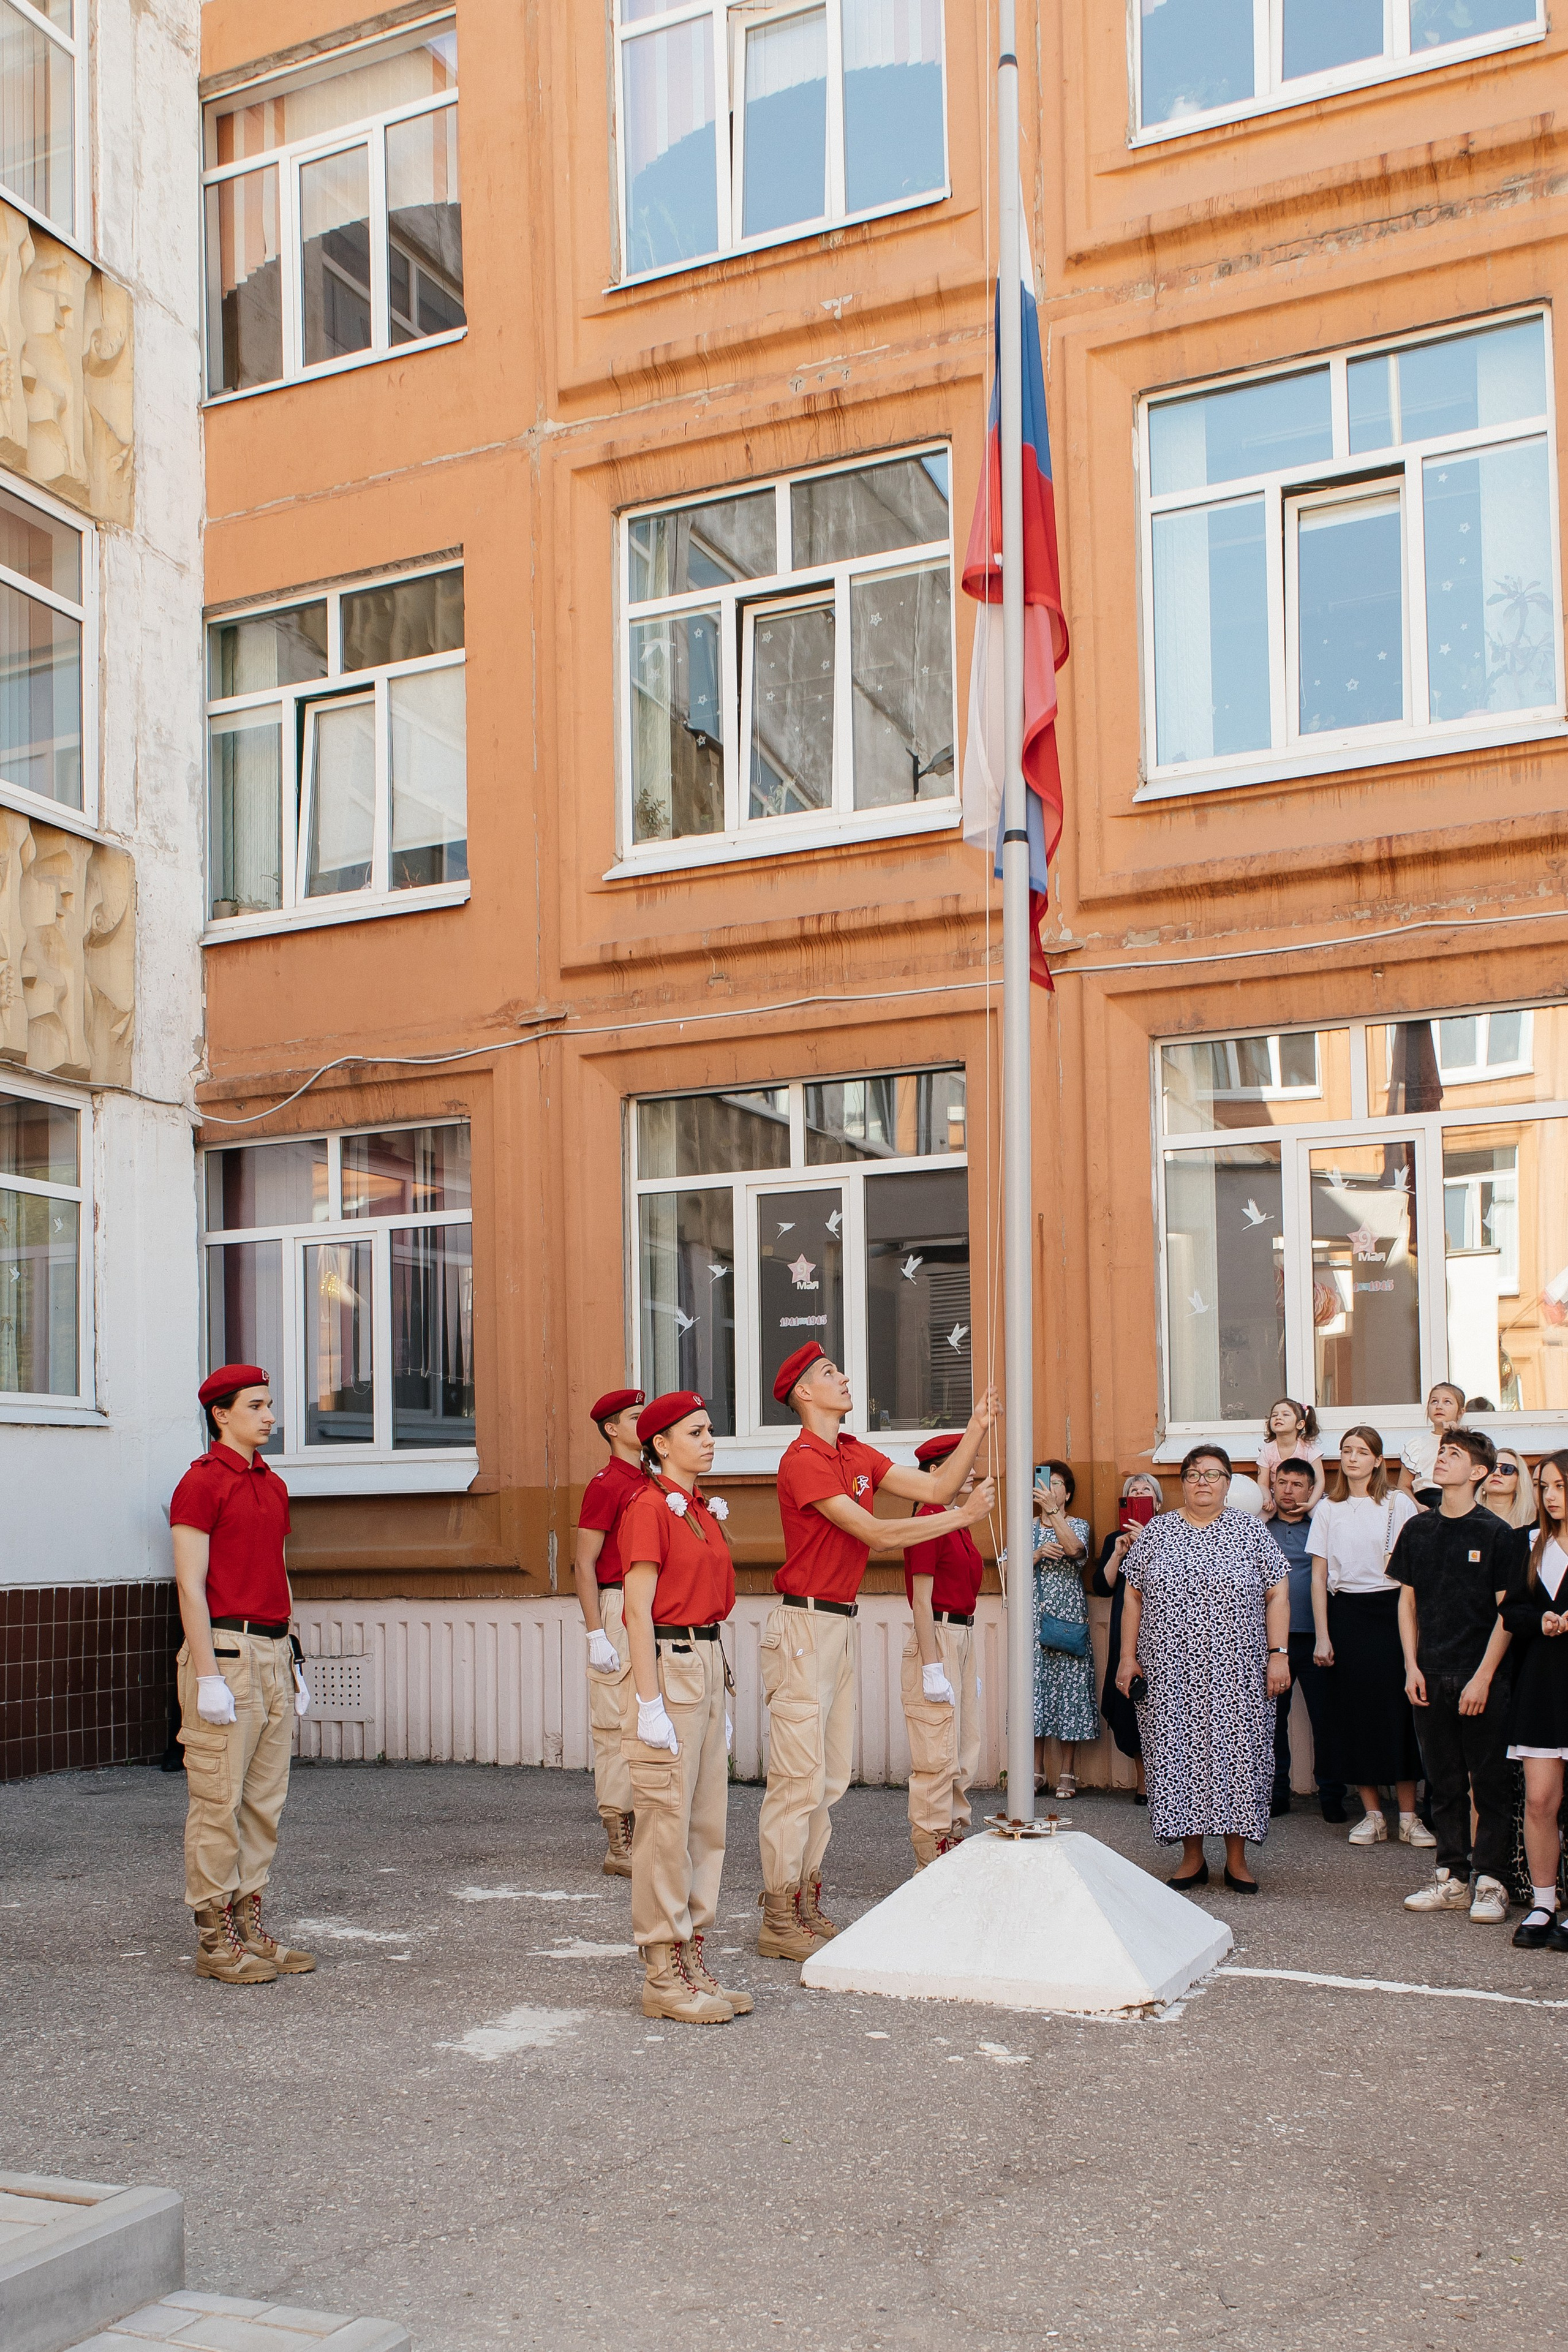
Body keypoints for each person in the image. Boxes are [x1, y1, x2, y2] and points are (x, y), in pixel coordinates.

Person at [756, 1343, 997, 1960]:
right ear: (804, 1393)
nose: (844, 1378)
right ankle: (779, 1914)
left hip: (836, 1625)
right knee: (796, 1781)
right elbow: (878, 1531)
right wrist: (960, 1517)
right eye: (830, 1373)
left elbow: (938, 1484)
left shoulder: (851, 1451)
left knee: (829, 1778)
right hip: (805, 1628)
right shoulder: (806, 1458)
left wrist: (976, 1427)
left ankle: (804, 1903)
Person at [169, 1366, 313, 1985]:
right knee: (217, 1802)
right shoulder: (201, 1484)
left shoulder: (271, 1484)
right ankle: (214, 1938)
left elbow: (277, 1572)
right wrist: (207, 1675)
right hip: (226, 1652)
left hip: (273, 1652)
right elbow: (189, 1584)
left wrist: (295, 1653)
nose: (270, 1416)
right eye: (256, 1405)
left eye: (269, 1404)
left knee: (263, 1803)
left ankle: (249, 1926)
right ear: (221, 1414)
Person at [617, 1390, 747, 2025]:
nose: (709, 1438)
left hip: (705, 1663)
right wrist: (648, 1703)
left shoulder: (697, 1508)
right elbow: (636, 1612)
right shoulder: (649, 1507)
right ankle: (661, 1975)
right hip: (669, 1668)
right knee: (665, 1828)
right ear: (660, 1445)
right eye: (694, 1432)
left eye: (710, 1428)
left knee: (704, 1826)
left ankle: (692, 1956)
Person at [1114, 1444, 1291, 1893]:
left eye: (1212, 1475)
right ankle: (1191, 1858)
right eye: (1193, 1474)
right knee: (1177, 1757)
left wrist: (1279, 1653)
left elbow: (1278, 1593)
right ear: (1182, 1483)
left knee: (1238, 1757)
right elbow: (1132, 1596)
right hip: (1172, 1674)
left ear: (1228, 1484)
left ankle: (1237, 1859)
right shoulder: (1157, 1533)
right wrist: (1127, 1656)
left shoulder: (1250, 1532)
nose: (1202, 1483)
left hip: (1239, 1671)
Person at [1395, 1428, 1529, 1922]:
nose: (1442, 1459)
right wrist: (1411, 1666)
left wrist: (1484, 1678)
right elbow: (1406, 1602)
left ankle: (1491, 1881)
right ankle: (1451, 1876)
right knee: (1444, 1781)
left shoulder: (1496, 1534)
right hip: (1429, 1674)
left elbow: (1506, 1615)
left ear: (1477, 1472)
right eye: (1441, 1452)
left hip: (1482, 1680)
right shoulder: (1417, 1530)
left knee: (1489, 1782)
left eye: (1453, 1454)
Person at [1306, 1427, 1428, 1848]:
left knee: (1400, 1709)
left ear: (1379, 1460)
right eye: (1346, 1451)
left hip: (1394, 1610)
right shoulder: (1328, 1508)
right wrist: (1323, 1635)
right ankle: (1373, 1814)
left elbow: (1415, 1574)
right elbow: (1319, 1576)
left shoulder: (1400, 1504)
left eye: (1362, 1452)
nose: (1353, 1458)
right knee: (1356, 1713)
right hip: (1349, 1613)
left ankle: (1409, 1817)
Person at [902, 1435, 986, 1870]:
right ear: (936, 1471)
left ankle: (952, 1837)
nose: (972, 1471)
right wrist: (933, 1665)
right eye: (963, 1463)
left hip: (960, 1635)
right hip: (937, 1633)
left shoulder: (955, 1519)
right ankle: (929, 1859)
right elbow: (921, 1601)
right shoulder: (928, 1519)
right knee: (937, 1753)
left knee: (964, 1748)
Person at [572, 1386, 646, 1877]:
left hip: (654, 1605)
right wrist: (596, 1633)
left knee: (648, 1719)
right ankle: (619, 1841)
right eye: (636, 1417)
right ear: (612, 1429)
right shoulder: (606, 1484)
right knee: (615, 1723)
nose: (647, 1423)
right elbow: (584, 1563)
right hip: (618, 1604)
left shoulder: (653, 1481)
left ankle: (645, 1829)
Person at [1501, 1452, 1568, 1949]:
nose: (1550, 1496)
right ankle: (1544, 1902)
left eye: (1561, 1486)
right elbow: (1512, 1613)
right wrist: (1538, 1621)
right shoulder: (1528, 1542)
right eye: (1545, 1486)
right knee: (1541, 1801)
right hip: (1541, 1688)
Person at [1264, 1458, 1346, 1822]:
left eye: (1298, 1484)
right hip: (1270, 1643)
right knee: (1271, 1722)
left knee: (1327, 1721)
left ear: (1311, 1491)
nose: (1289, 1490)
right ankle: (1276, 1792)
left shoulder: (1325, 1524)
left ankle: (1331, 1794)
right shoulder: (1257, 1528)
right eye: (1283, 1482)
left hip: (1317, 1639)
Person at [1094, 1472, 1164, 1804]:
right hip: (1125, 1628)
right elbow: (1102, 1587)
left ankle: (1168, 1782)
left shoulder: (1170, 1537)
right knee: (1128, 1700)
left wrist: (1148, 1542)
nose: (1138, 1494)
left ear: (1158, 1502)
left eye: (1145, 1491)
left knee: (1162, 1702)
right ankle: (1144, 1781)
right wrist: (1120, 1553)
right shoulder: (1114, 1539)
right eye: (1132, 1492)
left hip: (1163, 1629)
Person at [1027, 1460, 1094, 1800]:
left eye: (1057, 1483)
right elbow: (1009, 1570)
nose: (1050, 1488)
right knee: (1033, 1696)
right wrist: (1036, 1553)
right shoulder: (1025, 1527)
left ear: (1067, 1493)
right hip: (1032, 1622)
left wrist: (1054, 1516)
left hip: (1067, 1620)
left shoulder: (1078, 1524)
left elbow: (1076, 1550)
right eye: (1044, 1482)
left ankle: (1067, 1772)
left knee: (1070, 1694)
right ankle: (1036, 1771)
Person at [1400, 1383, 1466, 1507]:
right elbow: (1403, 1486)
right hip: (1425, 1504)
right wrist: (1417, 1507)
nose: (1439, 1406)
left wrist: (1458, 1436)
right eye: (1434, 1401)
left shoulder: (1468, 1444)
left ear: (1461, 1412)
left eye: (1447, 1402)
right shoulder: (1417, 1445)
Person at [1257, 1398, 1325, 1517]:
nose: (1278, 1418)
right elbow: (1262, 1483)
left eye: (1285, 1415)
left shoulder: (1309, 1448)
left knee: (1321, 1513)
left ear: (1300, 1424)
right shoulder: (1267, 1450)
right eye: (1274, 1415)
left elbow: (1320, 1481)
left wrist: (1310, 1504)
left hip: (1308, 1496)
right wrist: (1267, 1498)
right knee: (1260, 1516)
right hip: (1278, 1496)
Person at [1484, 1446, 1538, 1532]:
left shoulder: (1534, 1523)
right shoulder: (1468, 1517)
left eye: (1507, 1469)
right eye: (1492, 1468)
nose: (1497, 1473)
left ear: (1520, 1481)